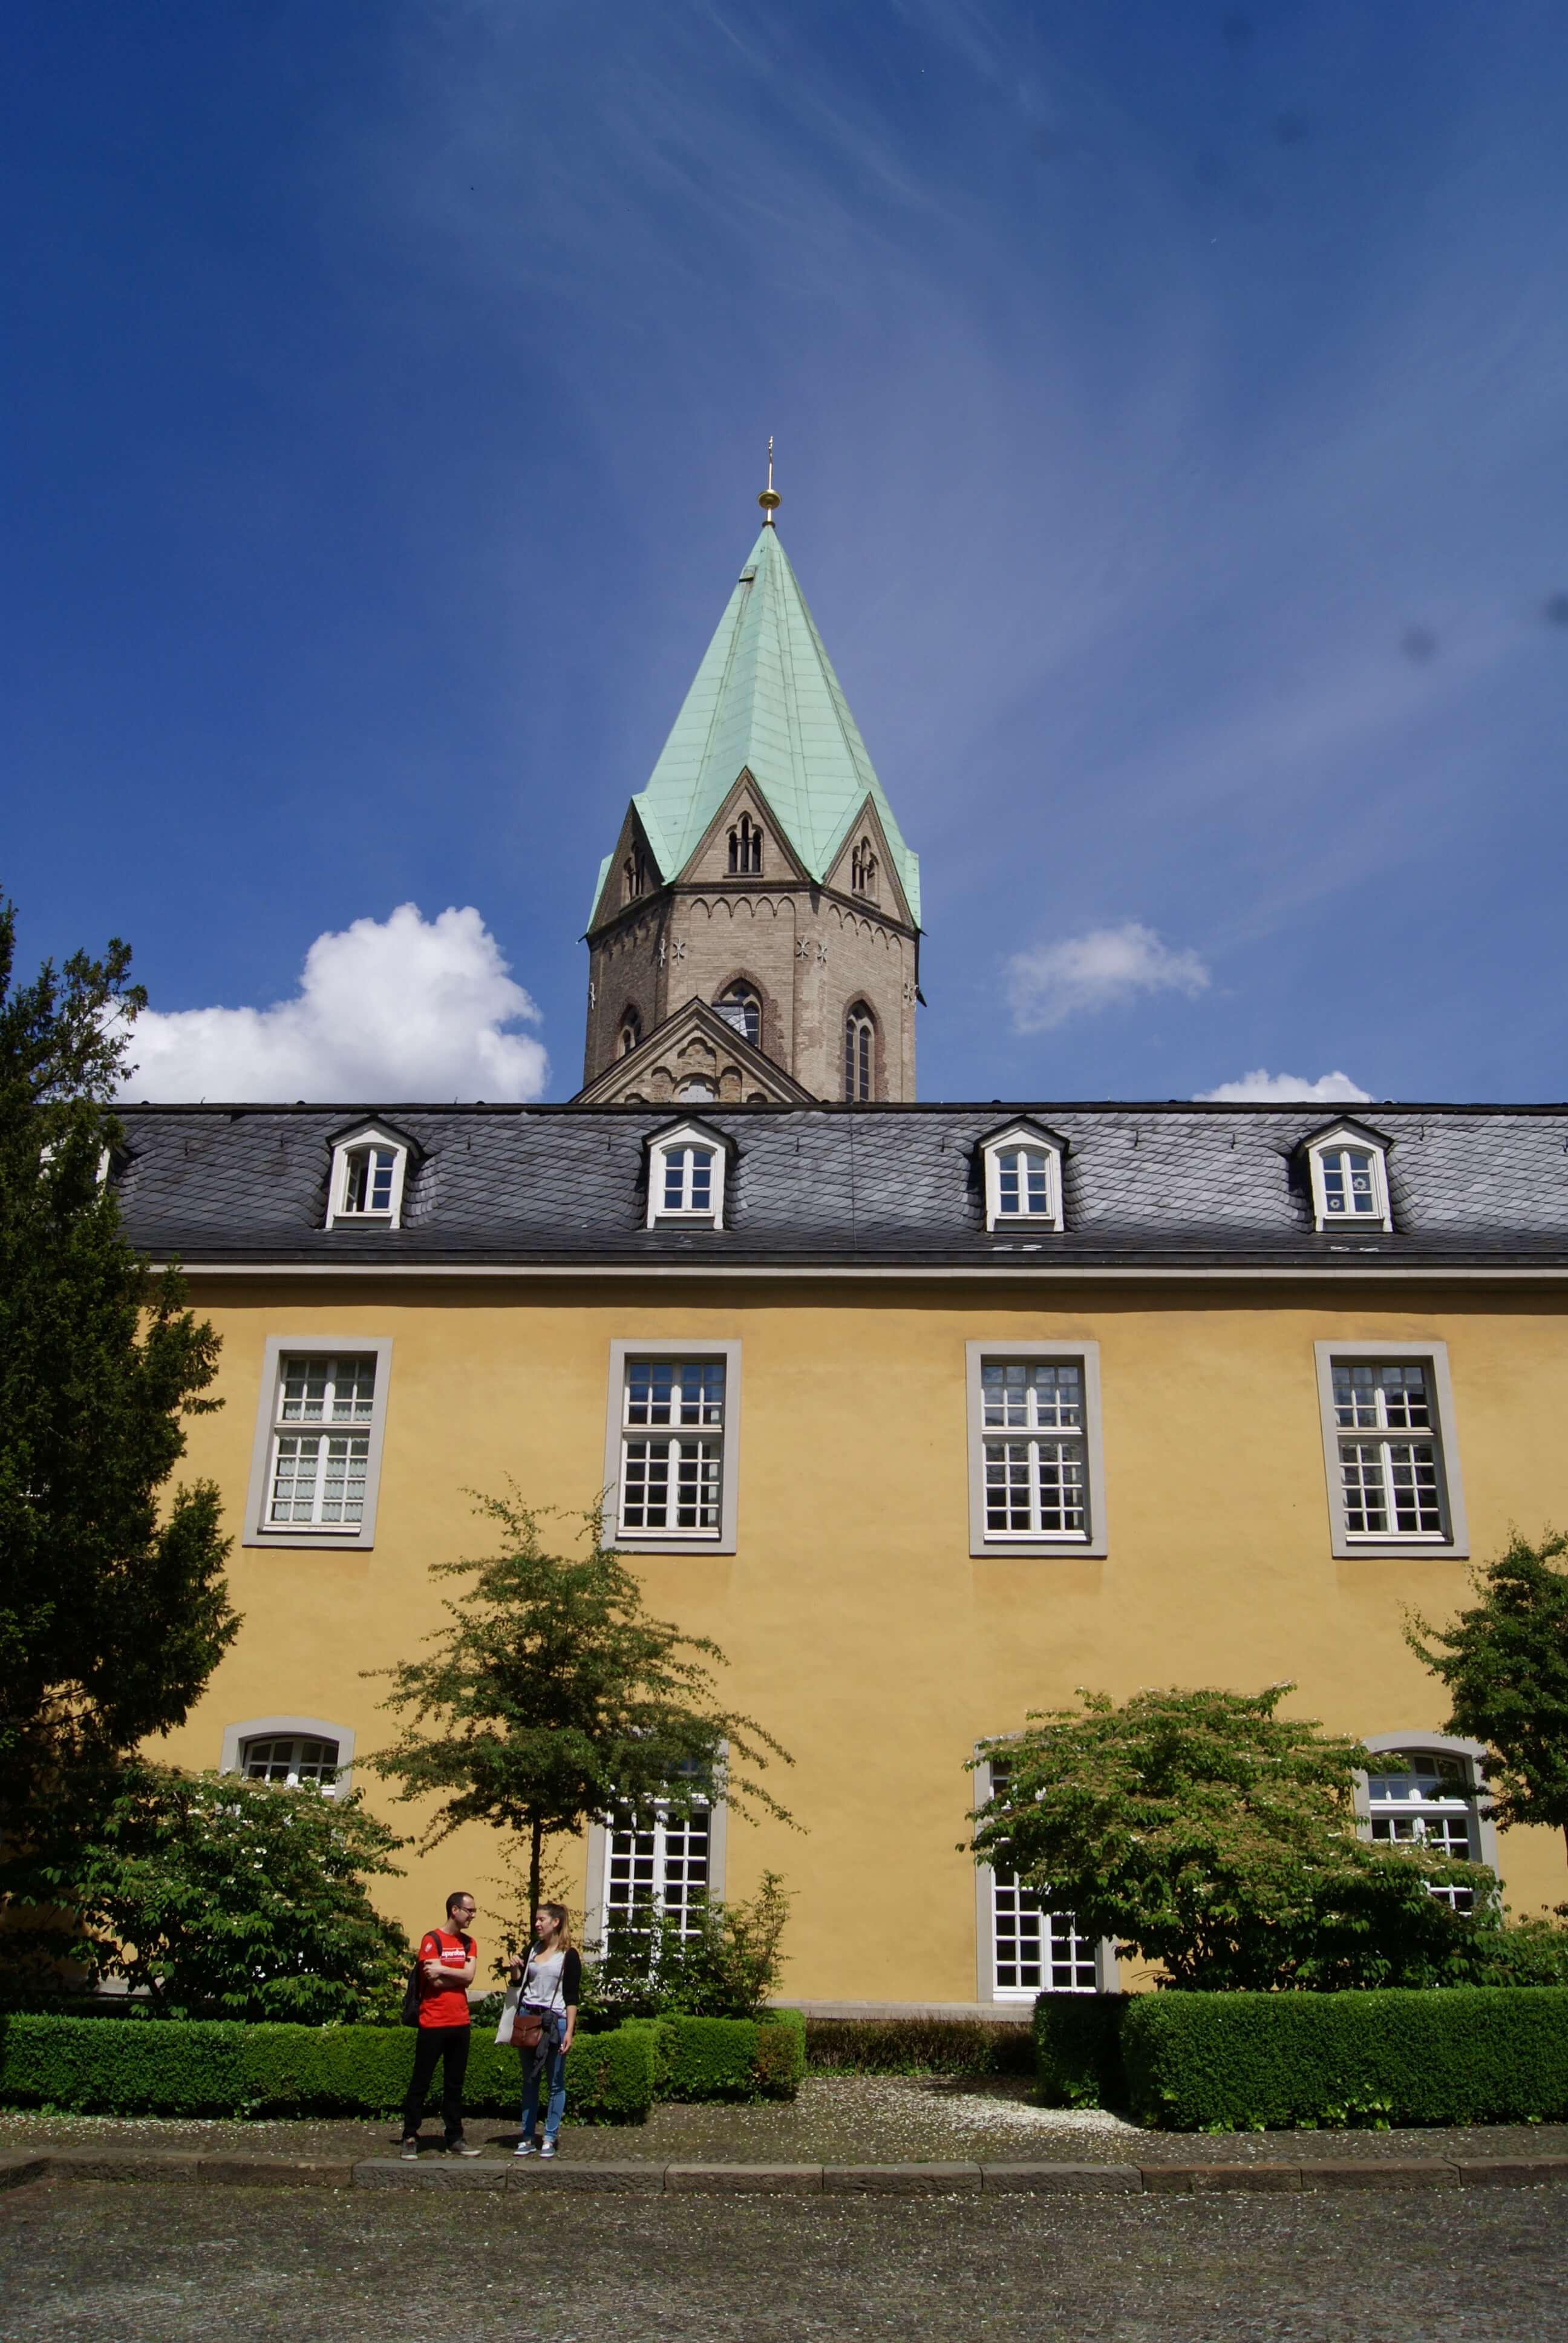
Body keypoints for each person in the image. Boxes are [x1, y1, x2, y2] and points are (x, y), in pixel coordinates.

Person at [400, 1890, 482, 2158]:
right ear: (454, 1910)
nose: (472, 1916)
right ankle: (410, 2135)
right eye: (469, 1910)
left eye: (474, 1911)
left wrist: (445, 1970)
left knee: (454, 2083)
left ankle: (455, 2136)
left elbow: (469, 1977)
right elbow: (432, 1981)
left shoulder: (470, 1944)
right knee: (421, 2081)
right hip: (433, 2022)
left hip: (460, 2021)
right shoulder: (432, 1940)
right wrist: (456, 1975)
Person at [508, 1902, 580, 2159]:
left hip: (555, 2022)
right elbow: (519, 1983)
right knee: (530, 2080)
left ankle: (549, 2136)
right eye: (536, 1920)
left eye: (542, 1920)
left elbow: (572, 1997)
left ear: (556, 1922)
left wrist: (570, 2031)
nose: (537, 1924)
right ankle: (527, 2137)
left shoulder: (568, 1955)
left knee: (555, 2082)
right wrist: (516, 1967)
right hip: (529, 2019)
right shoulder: (533, 1949)